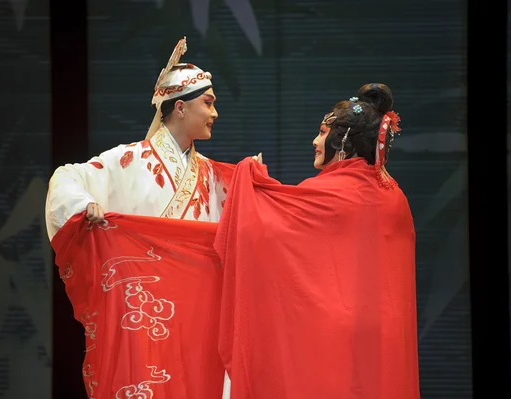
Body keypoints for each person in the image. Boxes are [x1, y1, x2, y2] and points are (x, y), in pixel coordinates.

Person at [46, 37, 248, 399]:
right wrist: (81, 204)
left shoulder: (217, 176)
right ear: (181, 108)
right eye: (209, 102)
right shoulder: (127, 161)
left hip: (198, 312)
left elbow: (250, 212)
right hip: (143, 312)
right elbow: (67, 177)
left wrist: (254, 183)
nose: (215, 113)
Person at [214, 83, 420, 398]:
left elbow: (262, 233)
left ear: (344, 139)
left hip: (336, 337)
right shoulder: (395, 196)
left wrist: (250, 177)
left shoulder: (331, 193)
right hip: (386, 335)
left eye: (322, 132)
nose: (315, 140)